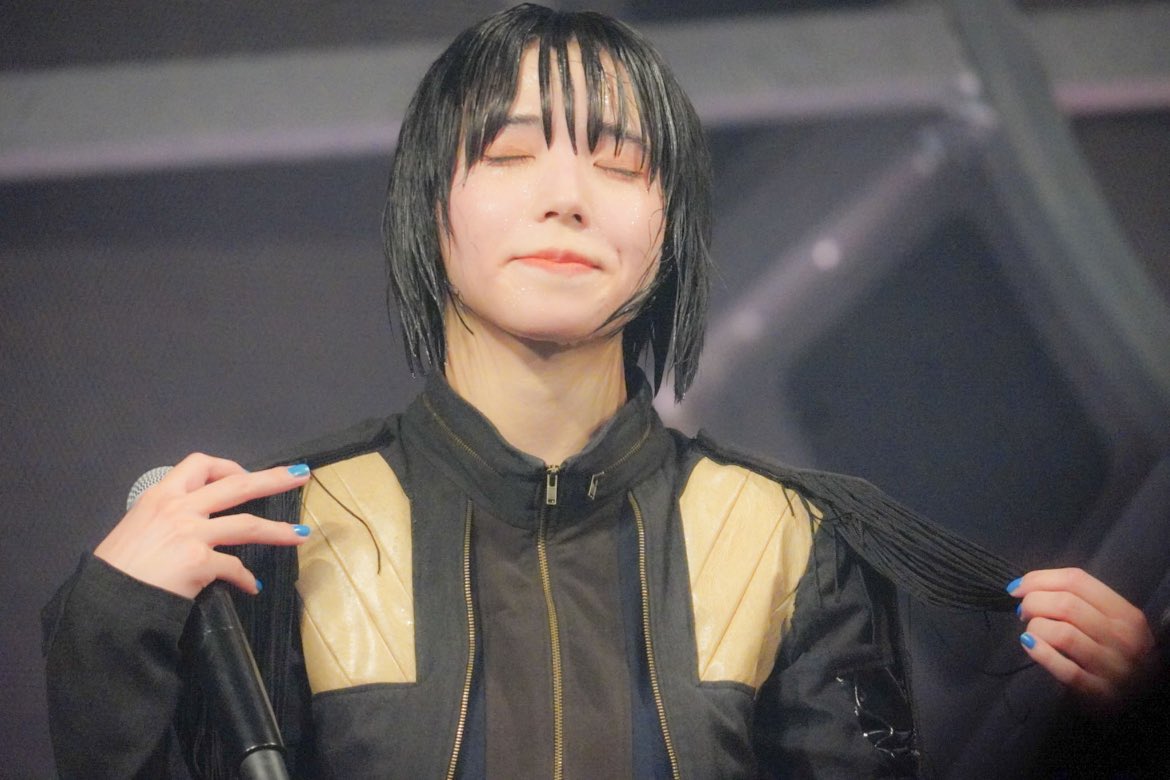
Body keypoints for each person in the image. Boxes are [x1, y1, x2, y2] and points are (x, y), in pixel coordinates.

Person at [43, 4, 1157, 778]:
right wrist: (113, 624)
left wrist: (1116, 733)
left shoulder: (785, 539)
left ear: (669, 232)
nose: (567, 197)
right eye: (512, 154)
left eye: (619, 163)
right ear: (431, 207)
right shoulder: (288, 535)